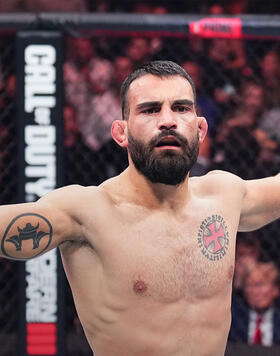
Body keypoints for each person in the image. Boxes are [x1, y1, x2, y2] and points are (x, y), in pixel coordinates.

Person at [0, 60, 280, 356]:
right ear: (121, 133)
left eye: (181, 108)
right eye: (150, 109)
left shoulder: (225, 196)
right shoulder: (87, 211)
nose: (168, 120)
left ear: (200, 129)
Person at [229, 262, 280, 346]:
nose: (255, 292)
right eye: (249, 286)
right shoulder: (233, 317)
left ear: (275, 289)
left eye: (260, 285)